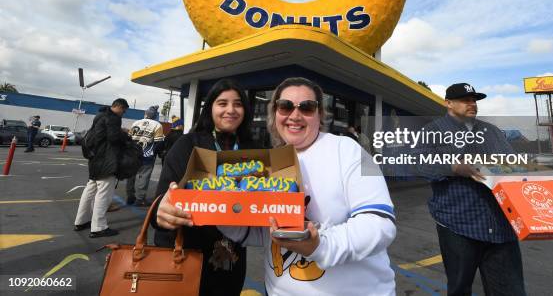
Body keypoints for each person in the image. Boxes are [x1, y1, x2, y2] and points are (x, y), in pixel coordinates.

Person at [156, 77, 397, 295]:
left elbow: (381, 223)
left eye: (307, 107)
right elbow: (259, 230)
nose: (295, 115)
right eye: (285, 106)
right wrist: (212, 207)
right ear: (275, 113)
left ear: (320, 114)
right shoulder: (272, 160)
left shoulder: (347, 150)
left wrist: (320, 245)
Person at [416, 83, 526, 296]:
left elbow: (513, 164)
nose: (472, 104)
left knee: (511, 290)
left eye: (474, 100)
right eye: (465, 100)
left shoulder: (492, 131)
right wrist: (454, 167)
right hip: (458, 225)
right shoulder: (432, 130)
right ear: (448, 103)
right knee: (459, 289)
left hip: (501, 226)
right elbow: (418, 162)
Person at [152, 79, 255, 296]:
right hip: (186, 251)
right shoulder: (188, 144)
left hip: (231, 255)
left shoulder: (254, 150)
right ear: (210, 108)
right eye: (222, 103)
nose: (231, 110)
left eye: (238, 104)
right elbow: (161, 198)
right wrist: (160, 212)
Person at [74, 98, 129, 238]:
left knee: (90, 190)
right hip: (107, 160)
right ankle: (98, 227)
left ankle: (81, 221)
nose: (123, 113)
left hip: (94, 158)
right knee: (104, 193)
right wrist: (124, 134)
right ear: (119, 107)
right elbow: (113, 138)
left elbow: (101, 135)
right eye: (124, 110)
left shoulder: (100, 116)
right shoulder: (114, 118)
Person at [126, 105, 165, 206]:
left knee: (131, 176)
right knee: (144, 177)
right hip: (146, 155)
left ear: (146, 114)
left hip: (133, 154)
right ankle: (140, 199)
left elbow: (129, 138)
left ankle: (130, 197)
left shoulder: (136, 123)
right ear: (155, 116)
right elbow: (158, 142)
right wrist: (154, 153)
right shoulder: (157, 125)